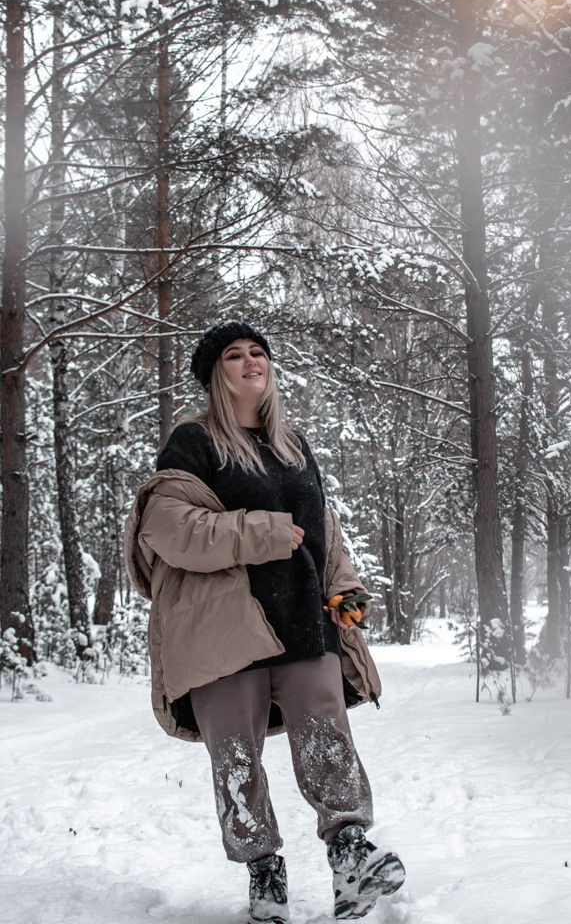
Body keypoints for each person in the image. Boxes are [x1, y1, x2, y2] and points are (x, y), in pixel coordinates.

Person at [124, 321, 405, 923]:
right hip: (223, 632)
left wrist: (343, 584)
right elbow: (168, 530)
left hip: (304, 619)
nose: (251, 361)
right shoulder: (194, 443)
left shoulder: (293, 445)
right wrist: (264, 533)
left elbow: (322, 530)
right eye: (235, 355)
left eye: (258, 352)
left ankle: (351, 859)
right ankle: (264, 874)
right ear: (215, 374)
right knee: (236, 758)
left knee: (329, 740)